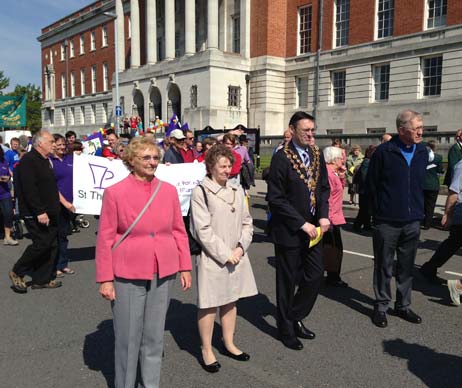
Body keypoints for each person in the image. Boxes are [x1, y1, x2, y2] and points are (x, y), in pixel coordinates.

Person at [96, 137, 192, 388]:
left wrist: (185, 265)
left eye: (155, 158)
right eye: (146, 158)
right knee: (128, 340)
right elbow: (105, 238)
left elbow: (178, 231)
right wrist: (105, 278)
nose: (152, 162)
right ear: (131, 160)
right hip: (127, 272)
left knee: (154, 337)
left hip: (163, 270)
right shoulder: (114, 192)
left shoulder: (169, 190)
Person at [190, 144, 257, 373]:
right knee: (209, 304)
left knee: (231, 300)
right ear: (210, 166)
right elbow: (202, 230)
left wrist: (240, 248)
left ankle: (229, 343)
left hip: (236, 255)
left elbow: (248, 223)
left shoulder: (237, 191)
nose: (227, 170)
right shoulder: (201, 191)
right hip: (213, 257)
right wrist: (226, 254)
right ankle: (206, 349)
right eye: (222, 166)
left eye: (229, 165)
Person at [267, 111, 330, 350]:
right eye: (306, 130)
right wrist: (300, 223)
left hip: (314, 229)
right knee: (287, 280)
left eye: (313, 130)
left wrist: (323, 215)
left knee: (314, 275)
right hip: (290, 230)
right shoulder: (281, 157)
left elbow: (323, 188)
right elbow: (276, 198)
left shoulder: (316, 153)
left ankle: (293, 316)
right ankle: (286, 327)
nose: (311, 134)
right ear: (292, 130)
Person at [367, 109, 428, 328]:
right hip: (387, 220)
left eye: (422, 127)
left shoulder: (422, 152)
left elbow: (421, 185)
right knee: (383, 265)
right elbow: (371, 185)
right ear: (402, 130)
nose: (421, 132)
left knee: (406, 265)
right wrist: (378, 213)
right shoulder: (384, 152)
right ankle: (381, 305)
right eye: (416, 128)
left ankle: (403, 306)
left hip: (413, 220)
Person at [9, 131, 62, 293]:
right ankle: (18, 271)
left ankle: (42, 279)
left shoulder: (45, 160)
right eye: (51, 141)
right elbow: (29, 189)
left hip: (51, 211)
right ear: (40, 143)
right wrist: (39, 211)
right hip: (36, 213)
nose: (54, 144)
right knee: (41, 244)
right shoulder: (29, 161)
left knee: (52, 246)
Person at [420, 157, 462, 285]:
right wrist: (448, 214)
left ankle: (429, 268)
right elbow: (454, 192)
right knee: (452, 244)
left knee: (451, 244)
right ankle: (458, 286)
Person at [50, 134, 76, 277]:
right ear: (53, 145)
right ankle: (54, 266)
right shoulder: (49, 161)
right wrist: (64, 202)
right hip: (56, 204)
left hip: (70, 204)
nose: (62, 147)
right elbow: (51, 186)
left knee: (64, 235)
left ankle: (63, 264)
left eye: (63, 144)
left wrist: (109, 160)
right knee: (55, 236)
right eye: (58, 144)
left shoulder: (70, 159)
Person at [322, 146, 348, 287]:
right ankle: (332, 277)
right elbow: (328, 197)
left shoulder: (333, 172)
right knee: (333, 249)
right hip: (331, 217)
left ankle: (333, 276)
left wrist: (342, 177)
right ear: (332, 159)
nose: (342, 160)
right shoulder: (328, 174)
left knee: (334, 249)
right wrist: (329, 218)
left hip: (335, 215)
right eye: (340, 158)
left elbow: (339, 191)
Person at [353, 145, 377, 232]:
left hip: (367, 190)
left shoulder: (370, 161)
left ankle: (366, 225)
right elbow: (364, 176)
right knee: (364, 209)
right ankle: (357, 225)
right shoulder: (367, 161)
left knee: (367, 209)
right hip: (365, 190)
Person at [423, 140, 443, 230]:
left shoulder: (422, 157)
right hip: (433, 184)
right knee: (431, 205)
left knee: (423, 204)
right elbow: (440, 170)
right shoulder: (438, 157)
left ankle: (422, 220)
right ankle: (427, 224)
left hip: (423, 183)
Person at [0, 146, 18, 245]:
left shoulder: (4, 161)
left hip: (4, 192)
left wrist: (8, 177)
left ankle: (7, 237)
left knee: (8, 214)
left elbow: (8, 173)